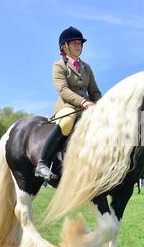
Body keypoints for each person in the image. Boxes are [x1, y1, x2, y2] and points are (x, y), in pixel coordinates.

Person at [35, 26, 102, 181]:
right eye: (75, 43)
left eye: (81, 44)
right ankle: (42, 163)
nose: (79, 46)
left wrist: (102, 105)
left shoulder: (87, 67)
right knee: (66, 121)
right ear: (65, 46)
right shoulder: (58, 66)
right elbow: (62, 89)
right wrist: (83, 101)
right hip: (66, 106)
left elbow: (95, 92)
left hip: (86, 108)